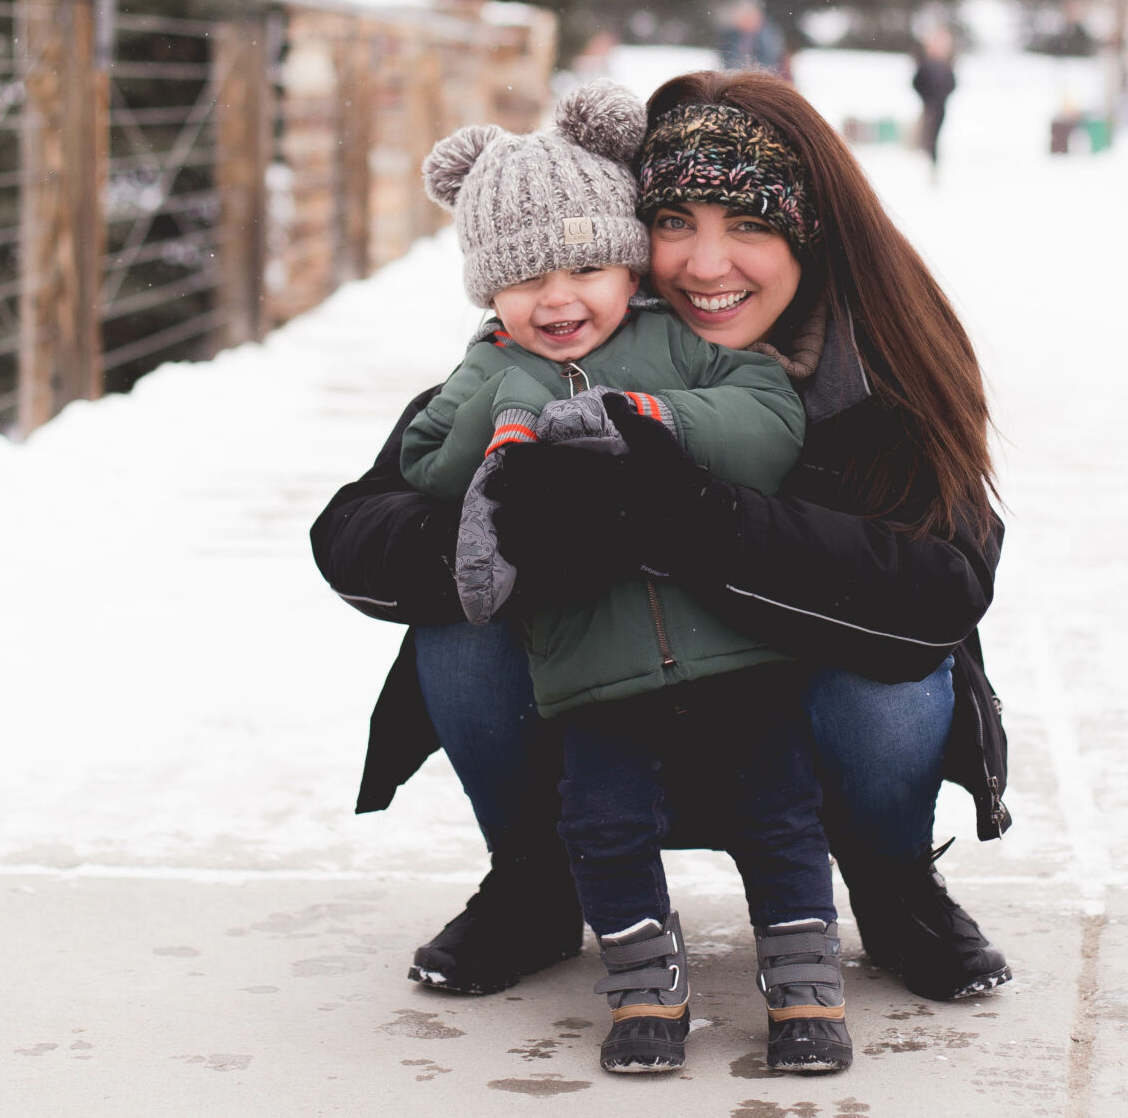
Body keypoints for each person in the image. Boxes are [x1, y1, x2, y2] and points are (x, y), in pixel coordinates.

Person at [310, 69, 1012, 1015]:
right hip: (600, 715)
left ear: (811, 233)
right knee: (461, 622)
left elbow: (941, 586)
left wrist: (691, 518)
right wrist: (515, 527)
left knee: (891, 670)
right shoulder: (551, 338)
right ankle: (536, 879)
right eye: (675, 220)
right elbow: (356, 524)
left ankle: (892, 886)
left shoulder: (879, 362)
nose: (703, 263)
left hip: (786, 725)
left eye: (749, 226)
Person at [399, 80, 847, 1075]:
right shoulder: (492, 368)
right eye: (524, 283)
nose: (558, 299)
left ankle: (804, 985)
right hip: (589, 667)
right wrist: (500, 399)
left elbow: (769, 421)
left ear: (628, 262)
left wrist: (652, 421)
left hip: (734, 650)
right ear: (487, 292)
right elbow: (425, 465)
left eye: (589, 267)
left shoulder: (677, 347)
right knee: (599, 825)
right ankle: (645, 988)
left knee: (780, 814)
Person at [913, 23, 958, 171]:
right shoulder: (927, 65)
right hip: (930, 104)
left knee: (933, 134)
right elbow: (917, 82)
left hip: (938, 105)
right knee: (928, 133)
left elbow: (952, 84)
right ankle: (928, 159)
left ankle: (931, 160)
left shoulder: (945, 66)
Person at [716, 0, 788, 75]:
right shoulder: (731, 35)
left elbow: (772, 58)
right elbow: (727, 59)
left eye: (748, 15)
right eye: (742, 15)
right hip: (737, 78)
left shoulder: (767, 35)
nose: (745, 19)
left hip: (764, 78)